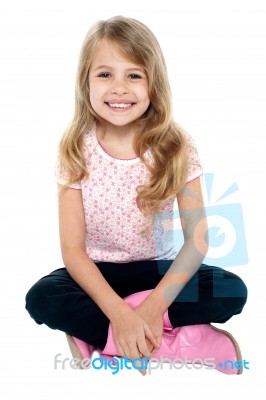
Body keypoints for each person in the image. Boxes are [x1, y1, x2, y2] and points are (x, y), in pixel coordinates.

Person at [25, 16, 247, 375]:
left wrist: (150, 308)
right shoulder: (74, 147)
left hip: (158, 274)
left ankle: (107, 338)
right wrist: (119, 312)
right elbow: (73, 251)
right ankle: (168, 343)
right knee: (41, 298)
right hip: (97, 275)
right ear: (86, 82)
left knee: (231, 291)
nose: (119, 88)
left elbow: (197, 239)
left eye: (133, 75)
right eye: (105, 74)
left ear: (153, 83)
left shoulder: (175, 145)